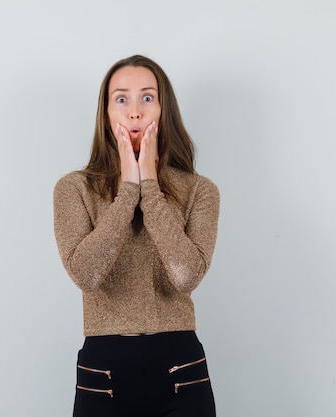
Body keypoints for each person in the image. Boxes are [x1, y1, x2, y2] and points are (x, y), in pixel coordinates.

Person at [53, 55, 220, 417]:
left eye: (147, 97)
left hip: (180, 367)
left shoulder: (199, 191)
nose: (134, 112)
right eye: (121, 98)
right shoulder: (74, 189)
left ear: (164, 109)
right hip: (105, 371)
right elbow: (87, 274)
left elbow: (186, 275)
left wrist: (150, 186)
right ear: (106, 111)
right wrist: (128, 190)